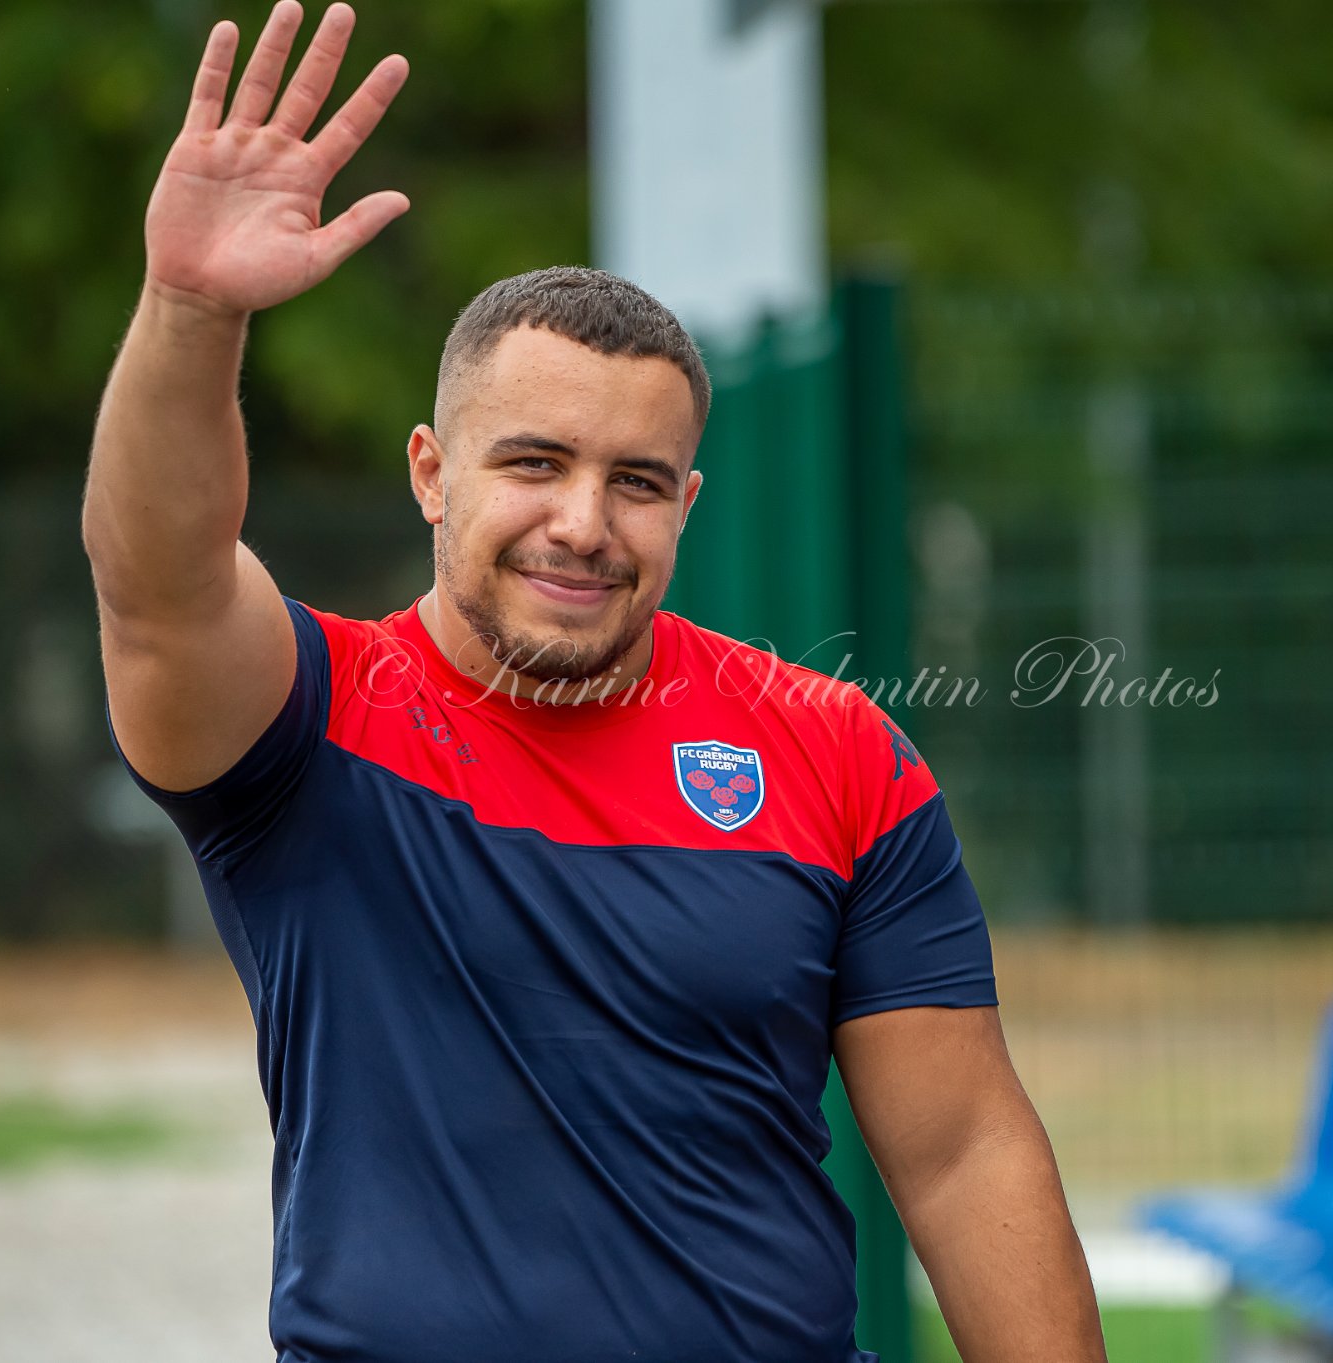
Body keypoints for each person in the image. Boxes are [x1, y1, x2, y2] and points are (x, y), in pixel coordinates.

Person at [82, 4, 1105, 1361]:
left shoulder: (835, 750)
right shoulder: (312, 722)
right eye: (533, 464)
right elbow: (158, 578)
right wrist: (190, 309)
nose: (583, 521)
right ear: (432, 475)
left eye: (633, 482)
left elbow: (966, 1152)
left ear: (686, 503)